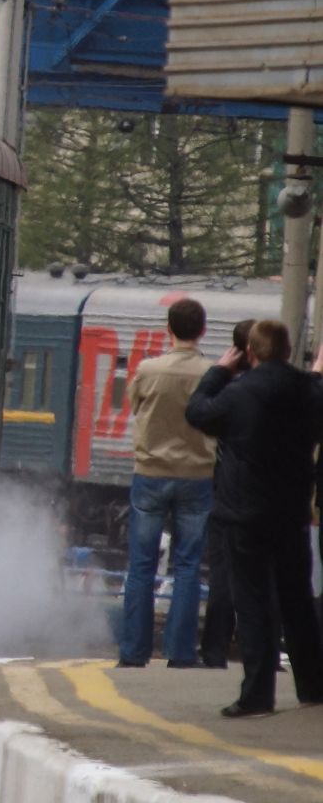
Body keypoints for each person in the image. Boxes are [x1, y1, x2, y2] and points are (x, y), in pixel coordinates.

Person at [184, 319, 323, 717]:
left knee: (254, 601)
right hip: (292, 510)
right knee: (297, 598)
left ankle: (258, 695)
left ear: (250, 353)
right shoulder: (307, 391)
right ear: (287, 349)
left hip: (245, 513)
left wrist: (217, 372)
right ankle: (313, 686)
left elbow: (197, 413)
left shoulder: (239, 392)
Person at [116, 297, 216, 668]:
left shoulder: (147, 369)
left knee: (141, 565)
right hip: (197, 475)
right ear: (202, 330)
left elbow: (136, 406)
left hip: (151, 473)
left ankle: (133, 653)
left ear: (168, 329)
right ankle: (180, 654)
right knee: (188, 565)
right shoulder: (211, 373)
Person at [200, 319, 256, 669]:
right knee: (264, 577)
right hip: (271, 495)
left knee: (223, 574)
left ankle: (215, 650)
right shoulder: (288, 388)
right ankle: (257, 649)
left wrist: (219, 372)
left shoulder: (230, 392)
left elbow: (198, 412)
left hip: (229, 490)